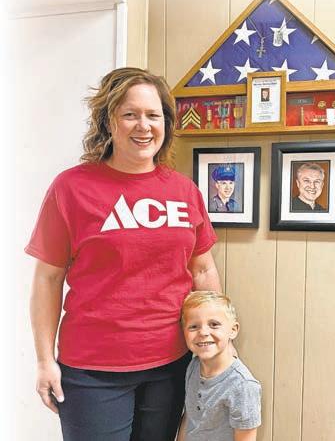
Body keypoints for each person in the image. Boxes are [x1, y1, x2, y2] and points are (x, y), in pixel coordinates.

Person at [25, 67, 221, 441]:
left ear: (166, 124)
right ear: (108, 122)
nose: (143, 126)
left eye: (153, 115)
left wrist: (215, 341)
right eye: (130, 114)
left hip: (171, 364)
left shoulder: (184, 191)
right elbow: (47, 279)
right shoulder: (71, 188)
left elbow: (202, 270)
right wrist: (44, 360)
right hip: (92, 371)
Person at [177, 291, 261, 441]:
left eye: (214, 324)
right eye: (194, 326)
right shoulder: (193, 366)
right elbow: (189, 417)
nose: (203, 332)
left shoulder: (243, 386)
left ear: (233, 330)